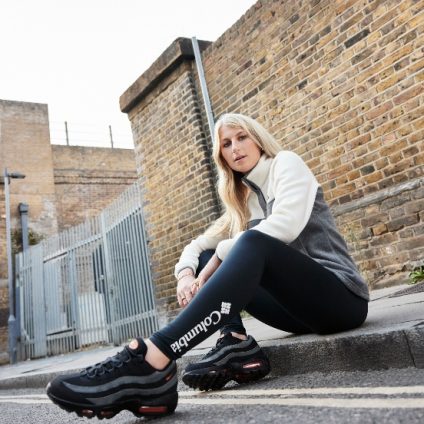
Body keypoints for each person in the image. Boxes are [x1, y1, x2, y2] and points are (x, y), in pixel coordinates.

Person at [46, 113, 369, 419]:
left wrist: (219, 258)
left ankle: (155, 356)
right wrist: (186, 275)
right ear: (221, 156)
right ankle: (236, 343)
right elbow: (198, 245)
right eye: (226, 144)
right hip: (295, 314)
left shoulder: (286, 163)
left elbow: (285, 226)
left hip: (341, 301)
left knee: (246, 244)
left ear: (258, 139)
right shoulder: (243, 199)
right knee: (213, 253)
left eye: (241, 137)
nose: (235, 148)